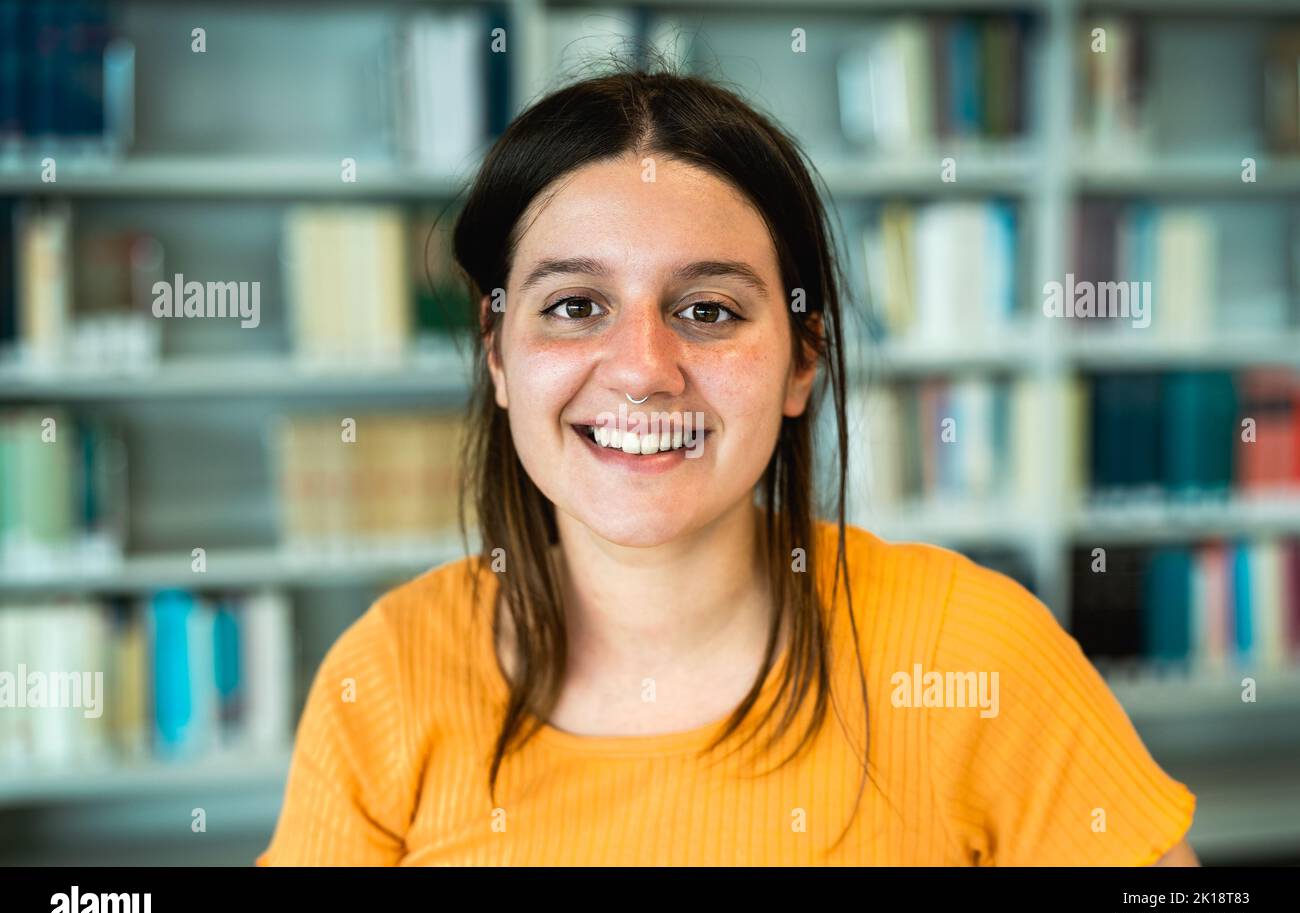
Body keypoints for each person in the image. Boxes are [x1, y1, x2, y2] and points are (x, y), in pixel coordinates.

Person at [258, 67, 1197, 866]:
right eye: (575, 304)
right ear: (499, 356)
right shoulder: (385, 673)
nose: (640, 368)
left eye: (707, 310)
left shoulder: (974, 653)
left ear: (802, 361)